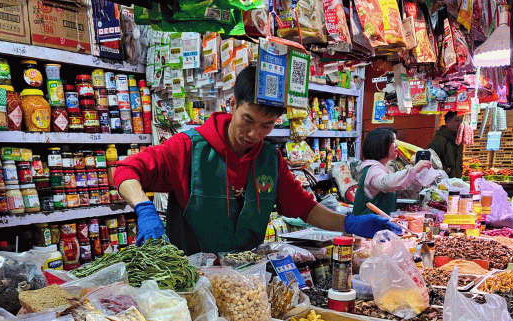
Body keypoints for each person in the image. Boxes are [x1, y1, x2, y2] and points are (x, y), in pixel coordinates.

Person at [113, 66, 400, 255]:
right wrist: (144, 209)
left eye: (266, 125)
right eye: (247, 120)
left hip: (244, 283)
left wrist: (350, 223)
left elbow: (306, 208)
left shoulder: (270, 159)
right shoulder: (188, 147)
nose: (254, 134)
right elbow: (126, 170)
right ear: (232, 104)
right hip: (190, 282)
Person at [351, 128, 432, 216]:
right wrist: (413, 170)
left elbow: (401, 193)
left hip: (380, 222)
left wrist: (418, 179)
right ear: (380, 145)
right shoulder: (372, 169)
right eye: (393, 142)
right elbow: (386, 183)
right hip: (367, 223)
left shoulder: (383, 168)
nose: (396, 145)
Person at [426, 111, 463, 178]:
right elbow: (428, 159)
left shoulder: (458, 140)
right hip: (443, 181)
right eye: (457, 120)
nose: (459, 123)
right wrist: (446, 170)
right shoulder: (439, 139)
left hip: (455, 180)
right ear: (447, 122)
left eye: (461, 121)